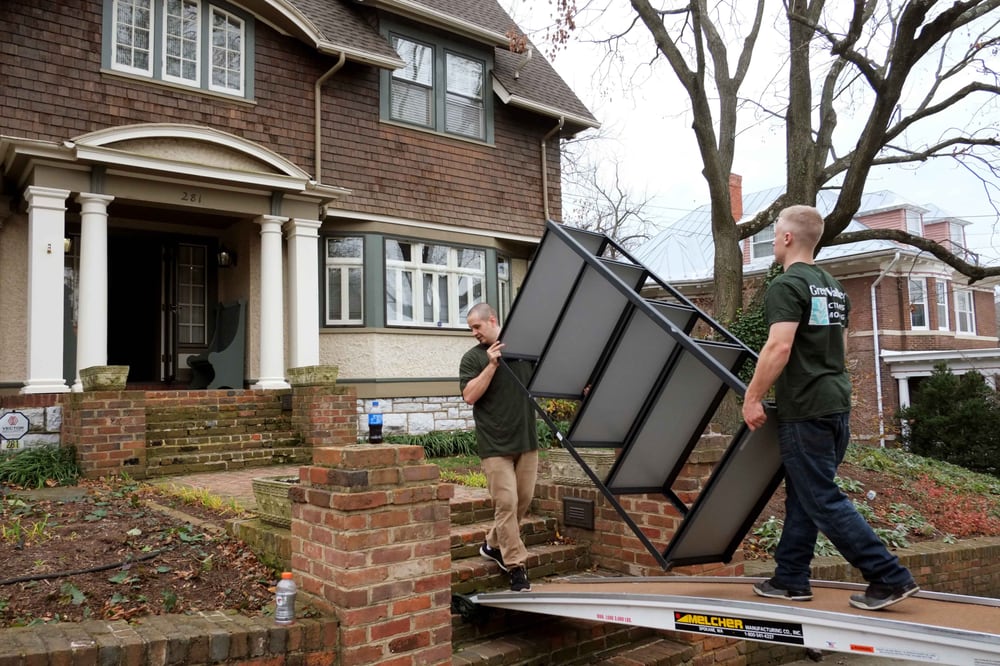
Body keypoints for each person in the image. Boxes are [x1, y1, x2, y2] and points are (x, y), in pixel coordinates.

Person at [742, 205, 919, 611]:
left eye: (776, 232)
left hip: (806, 407)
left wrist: (752, 397)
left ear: (787, 238)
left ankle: (888, 576)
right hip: (835, 403)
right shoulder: (833, 288)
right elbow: (839, 347)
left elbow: (779, 346)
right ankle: (791, 578)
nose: (774, 238)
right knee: (805, 495)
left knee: (821, 496)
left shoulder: (787, 285)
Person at [459, 302, 538, 592]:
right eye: (471, 328)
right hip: (494, 446)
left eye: (477, 327)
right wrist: (491, 365)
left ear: (492, 320)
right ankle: (516, 566)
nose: (474, 333)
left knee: (523, 501)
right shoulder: (473, 358)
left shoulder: (523, 352)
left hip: (526, 441)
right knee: (506, 503)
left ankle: (493, 544)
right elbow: (469, 396)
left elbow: (546, 379)